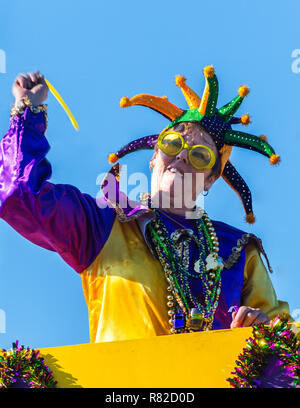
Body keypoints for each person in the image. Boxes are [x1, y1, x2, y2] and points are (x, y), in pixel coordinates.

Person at [0, 67, 290, 344]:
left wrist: (262, 331)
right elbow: (19, 194)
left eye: (200, 155)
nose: (182, 157)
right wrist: (28, 112)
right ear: (154, 157)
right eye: (172, 144)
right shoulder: (103, 223)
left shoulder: (238, 250)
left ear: (210, 181)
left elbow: (286, 347)